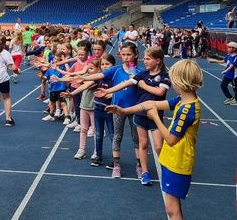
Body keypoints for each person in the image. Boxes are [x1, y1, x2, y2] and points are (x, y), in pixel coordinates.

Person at [107, 59, 202, 220]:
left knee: (173, 210)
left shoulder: (188, 109)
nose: (172, 84)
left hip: (178, 162)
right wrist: (124, 111)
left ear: (181, 81)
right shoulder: (183, 100)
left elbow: (171, 139)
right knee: (171, 207)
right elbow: (151, 103)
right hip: (171, 159)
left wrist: (155, 119)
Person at [96, 47, 170, 185]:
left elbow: (160, 92)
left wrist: (143, 85)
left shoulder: (164, 76)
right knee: (142, 144)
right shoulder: (143, 75)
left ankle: (165, 170)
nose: (145, 61)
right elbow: (126, 83)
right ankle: (144, 171)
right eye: (145, 58)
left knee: (159, 146)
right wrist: (107, 90)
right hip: (140, 114)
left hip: (155, 116)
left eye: (148, 58)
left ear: (158, 60)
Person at [72, 42, 142, 179]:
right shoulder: (116, 69)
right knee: (117, 136)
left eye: (129, 54)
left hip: (134, 109)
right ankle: (116, 165)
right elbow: (99, 76)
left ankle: (139, 165)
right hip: (117, 108)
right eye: (123, 54)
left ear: (135, 55)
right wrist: (84, 77)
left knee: (136, 138)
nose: (126, 57)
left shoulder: (139, 72)